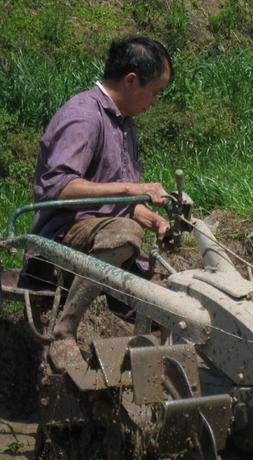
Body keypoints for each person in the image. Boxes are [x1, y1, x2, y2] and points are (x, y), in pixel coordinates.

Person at [28, 36, 173, 371]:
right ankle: (64, 334)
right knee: (125, 233)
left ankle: (148, 384)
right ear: (131, 80)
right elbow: (59, 189)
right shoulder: (82, 116)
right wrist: (130, 190)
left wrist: (153, 220)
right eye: (155, 92)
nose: (154, 101)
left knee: (168, 301)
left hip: (99, 231)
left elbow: (105, 198)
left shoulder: (123, 124)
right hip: (61, 233)